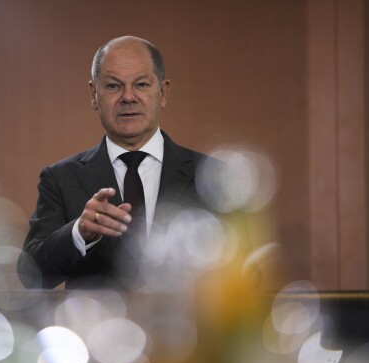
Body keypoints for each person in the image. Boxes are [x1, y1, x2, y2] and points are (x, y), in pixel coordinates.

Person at [18, 36, 220, 289]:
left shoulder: (210, 176)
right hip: (96, 326)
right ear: (94, 94)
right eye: (113, 86)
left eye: (141, 84)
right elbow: (30, 274)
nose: (128, 97)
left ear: (163, 92)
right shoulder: (60, 178)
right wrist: (79, 232)